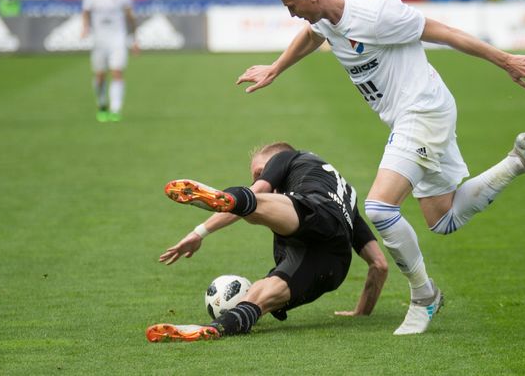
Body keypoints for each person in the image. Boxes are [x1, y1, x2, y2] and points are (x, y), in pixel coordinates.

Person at [235, 0, 525, 335]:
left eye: (292, 6)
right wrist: (275, 67)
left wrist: (505, 60)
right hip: (415, 116)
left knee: (380, 207)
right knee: (443, 219)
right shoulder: (324, 17)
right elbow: (312, 35)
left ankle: (424, 297)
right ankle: (520, 160)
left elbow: (443, 32)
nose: (291, 14)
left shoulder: (377, 12)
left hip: (422, 111)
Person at [146, 142, 390, 342]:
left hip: (313, 210)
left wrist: (199, 232)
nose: (258, 177)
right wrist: (361, 313)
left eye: (259, 172)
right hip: (331, 263)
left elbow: (260, 190)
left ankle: (233, 199)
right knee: (263, 295)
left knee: (255, 203)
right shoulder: (348, 198)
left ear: (275, 160)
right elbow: (379, 264)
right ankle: (218, 327)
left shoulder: (288, 157)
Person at [81, 0, 138, 123]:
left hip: (117, 38)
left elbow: (130, 15)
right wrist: (85, 27)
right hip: (99, 39)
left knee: (117, 72)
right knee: (99, 75)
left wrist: (134, 38)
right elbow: (86, 11)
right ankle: (101, 104)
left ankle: (116, 109)